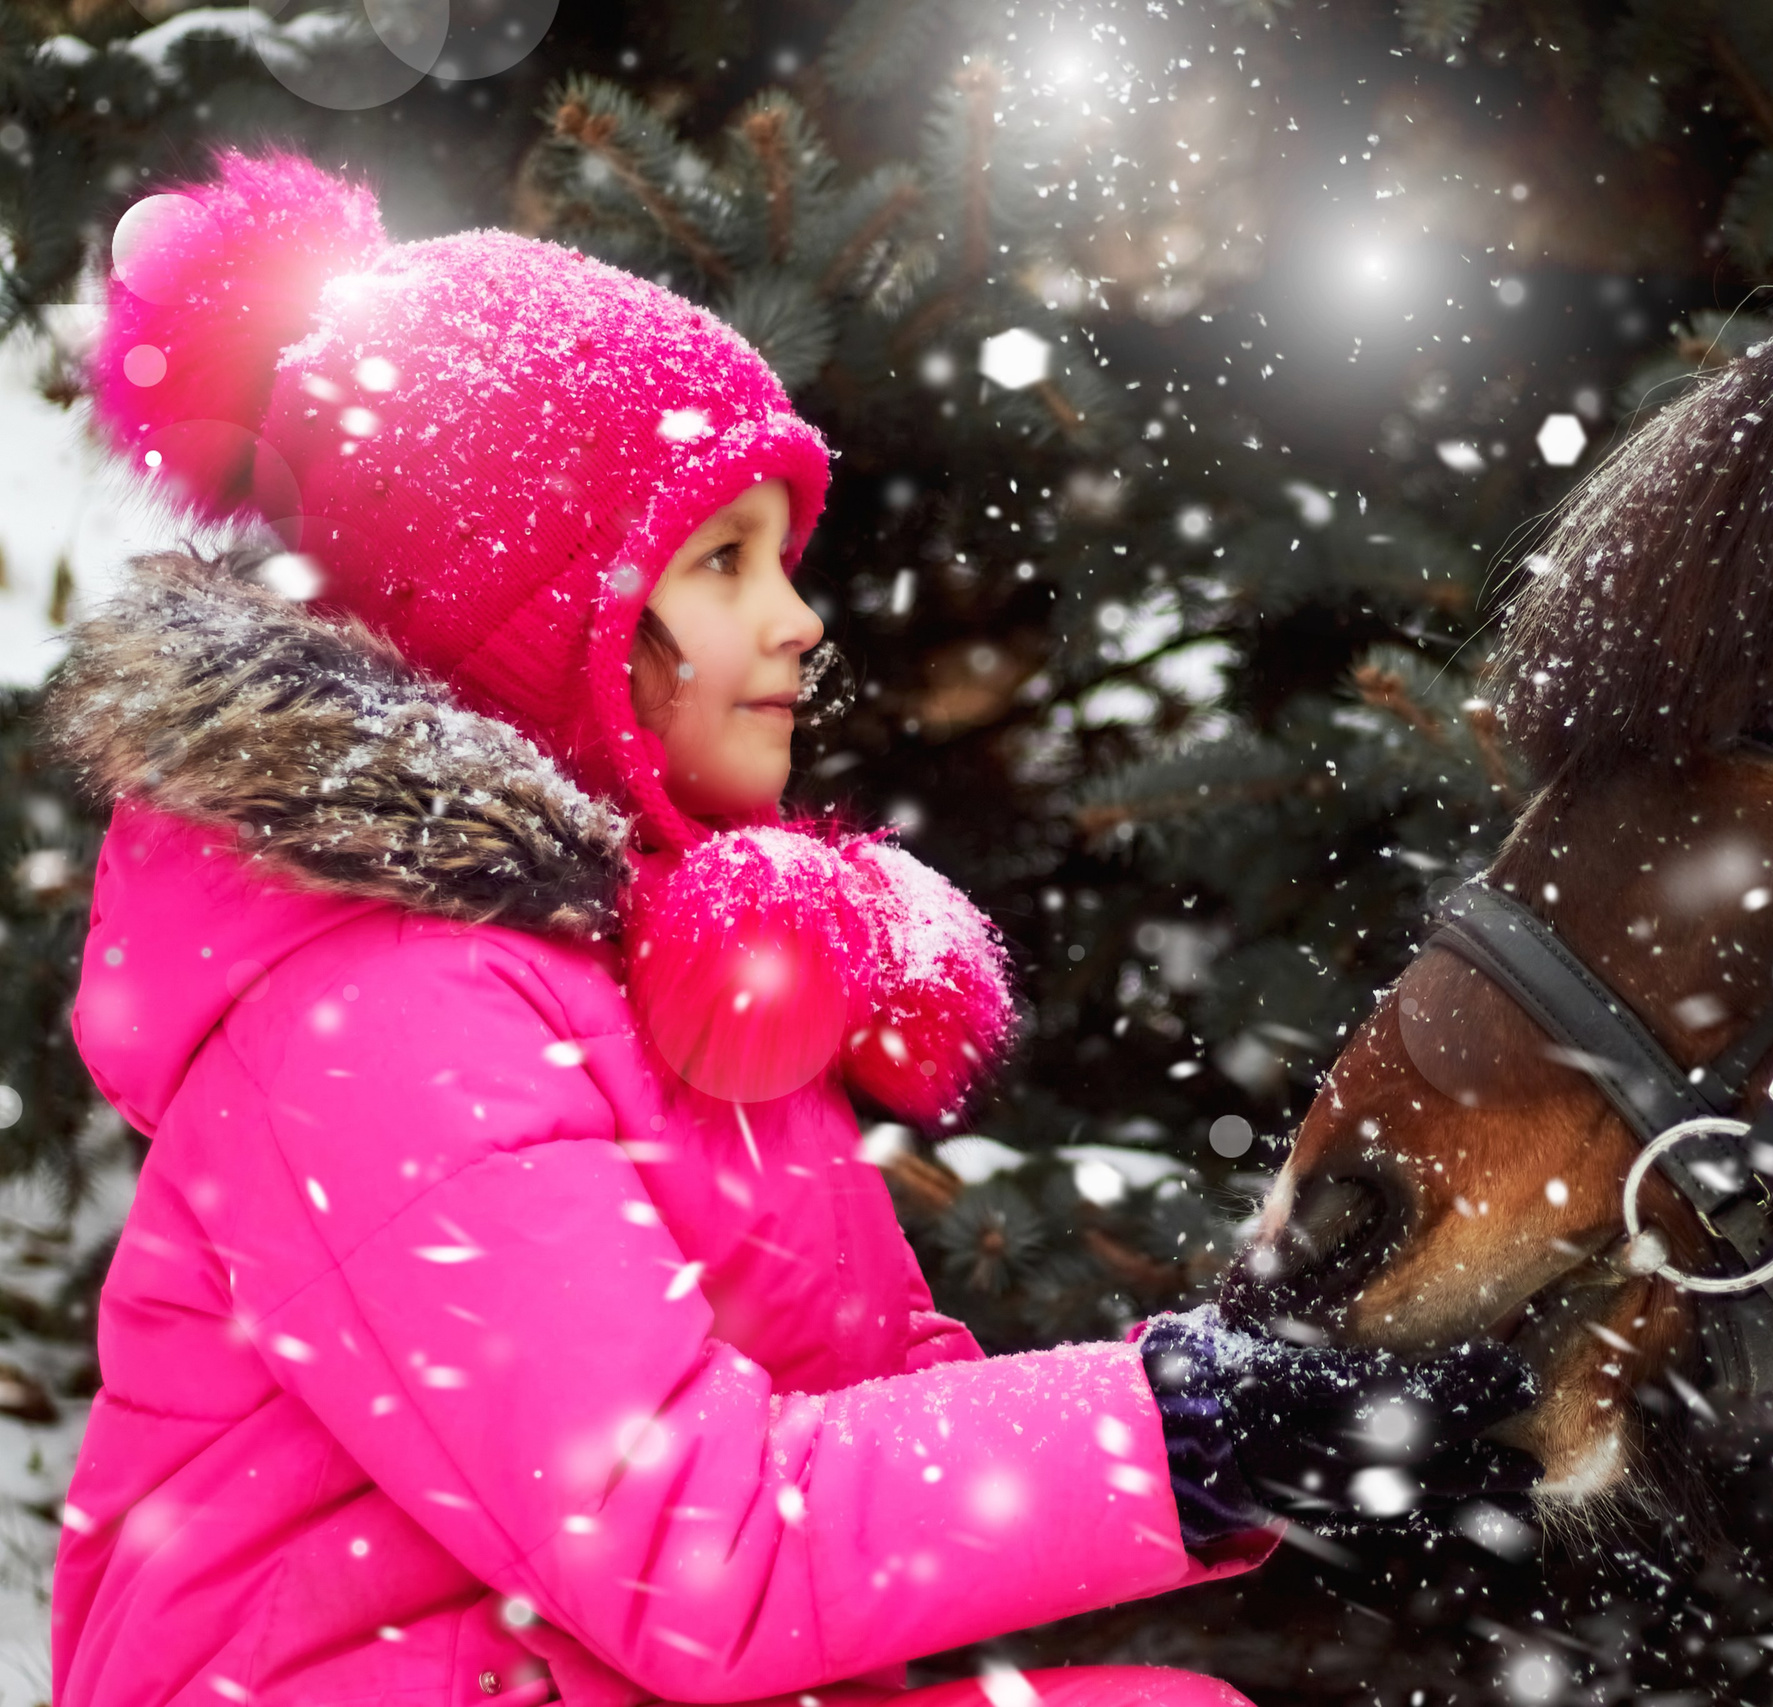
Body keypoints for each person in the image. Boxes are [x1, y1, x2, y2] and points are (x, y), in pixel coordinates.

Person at [41, 152, 1536, 1707]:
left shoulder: (612, 976)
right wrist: (1178, 1428)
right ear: (528, 608)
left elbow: (862, 1444)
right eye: (720, 560)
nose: (799, 621)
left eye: (786, 559)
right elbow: (701, 1546)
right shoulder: (382, 1010)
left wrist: (1275, 1395)